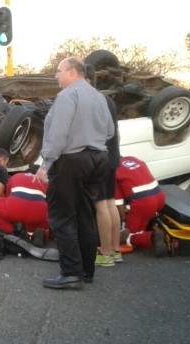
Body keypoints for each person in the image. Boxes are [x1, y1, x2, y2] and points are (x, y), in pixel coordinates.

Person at [34, 57, 114, 289]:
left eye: (58, 71)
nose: (56, 76)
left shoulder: (68, 96)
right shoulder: (99, 97)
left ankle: (70, 273)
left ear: (71, 72)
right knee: (85, 215)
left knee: (62, 216)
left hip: (71, 161)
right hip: (98, 159)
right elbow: (110, 131)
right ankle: (86, 270)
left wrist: (45, 164)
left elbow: (58, 133)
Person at [85, 64, 123, 267]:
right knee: (110, 202)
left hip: (100, 159)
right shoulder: (108, 100)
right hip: (113, 156)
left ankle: (105, 253)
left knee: (101, 205)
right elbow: (117, 133)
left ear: (86, 79)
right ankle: (116, 250)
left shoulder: (91, 100)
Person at [115, 155, 167, 257]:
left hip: (143, 203)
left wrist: (124, 220)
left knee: (128, 235)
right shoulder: (133, 159)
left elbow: (118, 203)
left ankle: (152, 237)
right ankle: (164, 238)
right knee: (141, 226)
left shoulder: (112, 170)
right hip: (160, 197)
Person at [0, 168, 49, 242]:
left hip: (14, 208)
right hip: (38, 212)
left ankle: (10, 231)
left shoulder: (17, 175)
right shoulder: (45, 182)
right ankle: (38, 233)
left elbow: (8, 195)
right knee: (43, 222)